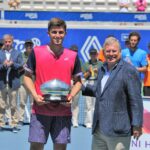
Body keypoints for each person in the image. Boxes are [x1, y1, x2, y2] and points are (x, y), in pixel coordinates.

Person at [23, 18, 82, 150]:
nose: (57, 35)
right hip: (40, 111)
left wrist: (71, 96)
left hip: (63, 112)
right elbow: (26, 77)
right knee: (36, 148)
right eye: (54, 32)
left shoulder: (72, 56)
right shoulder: (37, 52)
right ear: (48, 33)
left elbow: (78, 82)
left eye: (61, 32)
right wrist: (35, 95)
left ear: (65, 33)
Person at [82, 37, 143, 150]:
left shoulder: (129, 70)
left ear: (120, 52)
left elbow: (136, 100)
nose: (111, 54)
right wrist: (80, 86)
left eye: (114, 51)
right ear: (103, 53)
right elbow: (98, 90)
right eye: (108, 51)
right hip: (99, 129)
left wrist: (137, 124)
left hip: (118, 130)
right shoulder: (102, 69)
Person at [0, 34, 24, 132]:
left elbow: (21, 65)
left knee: (13, 105)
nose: (7, 44)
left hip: (13, 83)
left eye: (9, 42)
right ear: (4, 43)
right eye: (6, 42)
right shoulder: (0, 53)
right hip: (2, 83)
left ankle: (14, 124)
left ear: (12, 42)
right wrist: (4, 65)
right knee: (1, 105)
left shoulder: (18, 53)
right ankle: (1, 124)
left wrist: (12, 64)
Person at [82, 48, 102, 128]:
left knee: (96, 104)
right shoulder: (86, 64)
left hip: (98, 83)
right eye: (91, 54)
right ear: (89, 55)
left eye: (94, 54)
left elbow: (105, 74)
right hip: (89, 83)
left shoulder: (101, 64)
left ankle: (95, 122)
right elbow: (83, 76)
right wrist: (89, 72)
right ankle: (88, 122)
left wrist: (98, 72)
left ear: (97, 54)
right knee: (88, 104)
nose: (93, 55)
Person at [18, 40, 34, 125]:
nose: (29, 47)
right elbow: (17, 69)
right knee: (21, 102)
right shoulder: (20, 56)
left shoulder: (35, 56)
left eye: (30, 45)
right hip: (22, 83)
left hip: (32, 83)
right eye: (27, 45)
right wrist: (22, 67)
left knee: (32, 103)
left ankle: (33, 119)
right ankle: (20, 119)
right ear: (25, 46)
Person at [69, 45, 81, 128]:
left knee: (75, 104)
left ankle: (75, 121)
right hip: (67, 83)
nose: (74, 52)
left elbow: (80, 75)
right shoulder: (65, 59)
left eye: (76, 51)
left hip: (75, 83)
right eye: (73, 50)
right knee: (66, 102)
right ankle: (67, 120)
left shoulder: (79, 61)